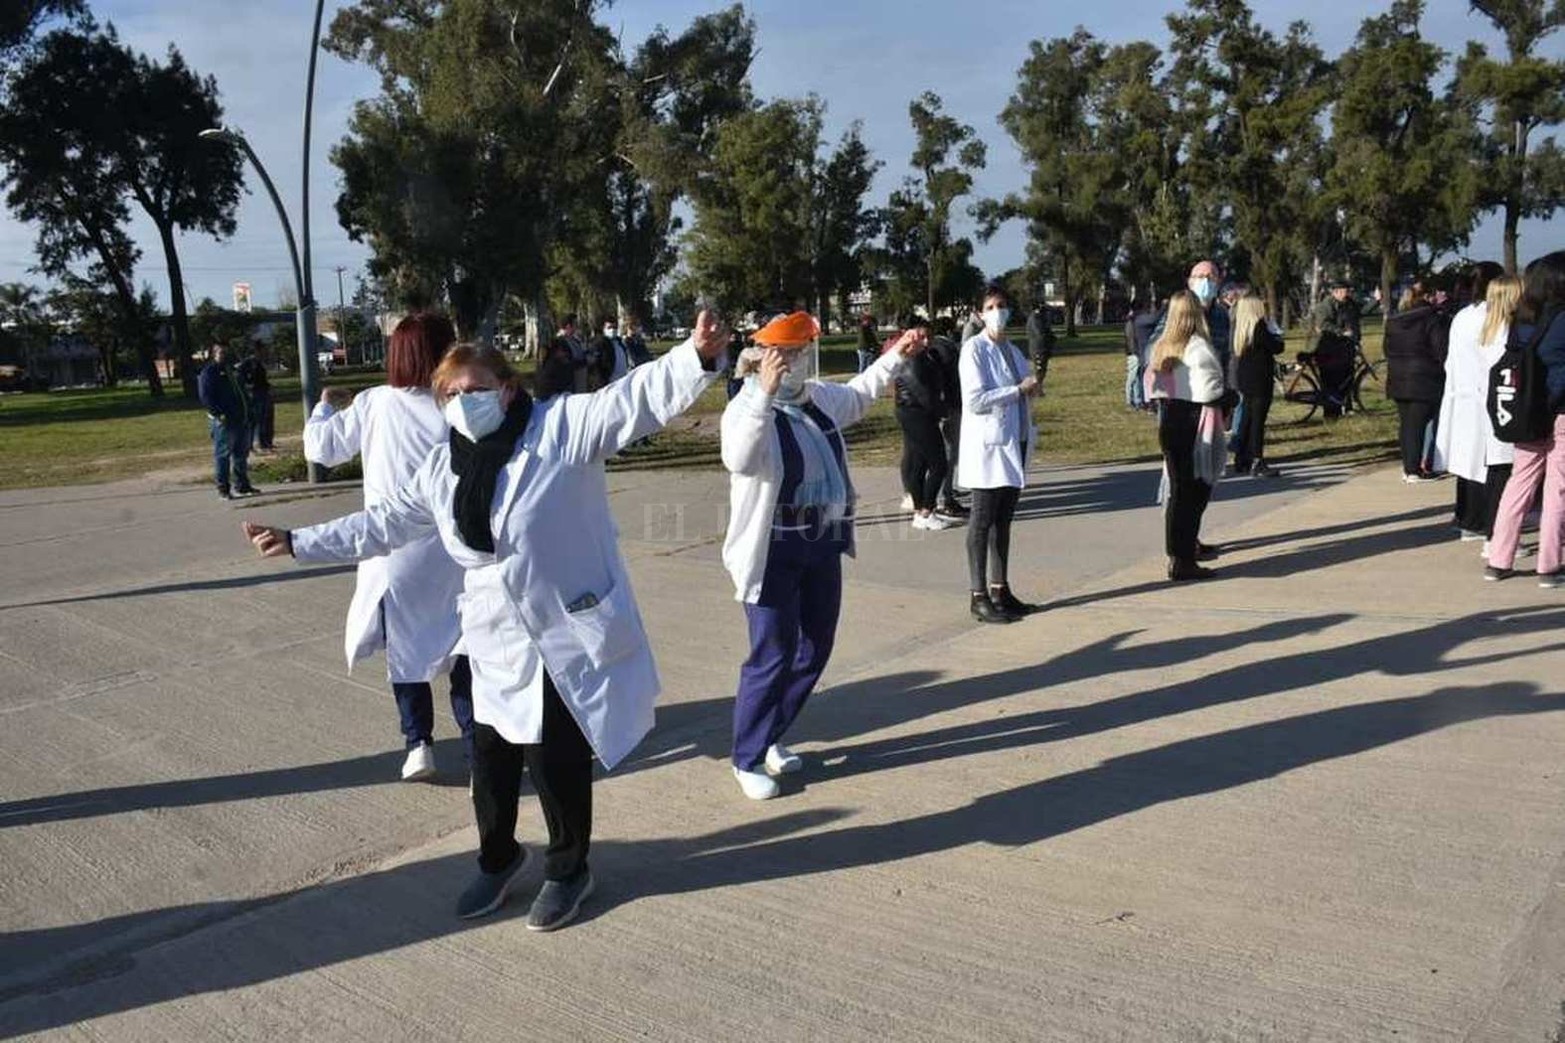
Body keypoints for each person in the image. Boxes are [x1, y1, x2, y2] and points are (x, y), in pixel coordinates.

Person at [243, 312, 729, 928]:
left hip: (559, 631)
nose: (462, 402)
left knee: (555, 762)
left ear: (507, 388)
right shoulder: (444, 466)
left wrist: (693, 356)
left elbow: (631, 401)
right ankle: (498, 858)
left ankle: (568, 869)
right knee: (491, 764)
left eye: (475, 390)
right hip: (489, 633)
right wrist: (298, 541)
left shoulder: (560, 430)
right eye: (450, 394)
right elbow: (384, 524)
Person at [720, 311, 924, 800]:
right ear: (764, 356)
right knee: (772, 652)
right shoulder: (749, 406)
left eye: (801, 350)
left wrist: (896, 355)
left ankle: (771, 735)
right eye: (787, 351)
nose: (796, 360)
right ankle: (746, 756)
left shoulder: (815, 399)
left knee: (816, 644)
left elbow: (859, 395)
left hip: (821, 538)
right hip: (773, 545)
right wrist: (764, 394)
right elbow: (741, 457)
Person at [303, 312, 474, 784]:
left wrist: (323, 407)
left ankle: (418, 744)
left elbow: (321, 449)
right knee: (465, 649)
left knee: (408, 649)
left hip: (393, 548)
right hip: (455, 550)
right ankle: (480, 752)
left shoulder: (374, 403)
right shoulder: (458, 404)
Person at [959, 285, 1041, 624]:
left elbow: (1026, 384)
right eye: (990, 306)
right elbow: (976, 400)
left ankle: (1000, 588)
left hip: (1015, 441)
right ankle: (978, 595)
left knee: (1003, 521)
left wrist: (1034, 387)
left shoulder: (1012, 349)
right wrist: (1017, 390)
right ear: (980, 314)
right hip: (987, 447)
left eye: (1002, 305)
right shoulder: (973, 350)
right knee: (982, 520)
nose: (998, 312)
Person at [1485, 252, 1565, 586]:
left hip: (1527, 411)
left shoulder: (1522, 318)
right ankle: (1549, 564)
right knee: (1557, 488)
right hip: (1560, 410)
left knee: (1519, 483)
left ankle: (1499, 559)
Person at [1147, 290, 1235, 582]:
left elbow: (1153, 387)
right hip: (1195, 421)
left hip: (1170, 417)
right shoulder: (1198, 347)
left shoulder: (1162, 346)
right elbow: (1211, 390)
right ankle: (1183, 557)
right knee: (1195, 492)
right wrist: (1230, 397)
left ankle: (1179, 552)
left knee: (1179, 492)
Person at [1434, 264, 1511, 540]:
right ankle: (1484, 524)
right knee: (1487, 463)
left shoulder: (1462, 316)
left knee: (1468, 460)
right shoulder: (1493, 318)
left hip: (1464, 395)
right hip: (1483, 397)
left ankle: (1467, 517)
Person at [891, 314, 957, 531]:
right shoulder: (911, 361)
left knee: (919, 462)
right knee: (938, 464)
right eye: (921, 336)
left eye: (929, 336)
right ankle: (926, 510)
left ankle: (922, 510)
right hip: (916, 414)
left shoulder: (925, 356)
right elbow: (924, 394)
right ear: (908, 336)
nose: (926, 341)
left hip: (917, 413)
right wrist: (943, 412)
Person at [1384, 280, 1451, 483]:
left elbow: (1386, 349)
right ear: (1428, 297)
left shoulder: (1394, 321)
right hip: (1424, 377)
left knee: (1407, 424)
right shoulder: (1431, 320)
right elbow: (1440, 349)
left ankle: (1408, 466)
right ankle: (1414, 469)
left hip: (1398, 376)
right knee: (1419, 425)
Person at [1229, 294, 1284, 477]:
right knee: (1258, 420)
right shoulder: (1259, 327)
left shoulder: (1241, 328)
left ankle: (1241, 458)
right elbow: (1277, 347)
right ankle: (1256, 459)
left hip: (1245, 377)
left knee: (1247, 417)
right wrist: (1275, 332)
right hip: (1260, 378)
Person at [196, 342, 258, 500]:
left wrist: (249, 411)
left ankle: (242, 485)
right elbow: (206, 396)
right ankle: (223, 489)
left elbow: (242, 392)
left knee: (241, 453)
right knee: (223, 454)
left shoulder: (233, 371)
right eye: (221, 353)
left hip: (241, 418)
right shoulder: (210, 372)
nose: (225, 356)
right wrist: (218, 414)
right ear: (214, 354)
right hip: (224, 421)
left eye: (227, 352)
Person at [929, 318, 969, 517]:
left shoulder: (937, 347)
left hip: (947, 405)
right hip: (952, 405)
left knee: (948, 451)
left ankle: (946, 492)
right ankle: (945, 498)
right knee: (949, 452)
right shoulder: (945, 348)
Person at [1309, 280, 1361, 417]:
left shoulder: (1348, 304)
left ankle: (1344, 407)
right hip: (1328, 349)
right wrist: (1341, 331)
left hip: (1344, 348)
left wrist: (1376, 301)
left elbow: (1359, 313)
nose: (1346, 293)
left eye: (1347, 290)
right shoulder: (1325, 306)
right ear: (1335, 292)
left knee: (1346, 378)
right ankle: (1331, 414)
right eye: (1343, 291)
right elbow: (1323, 324)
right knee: (1330, 381)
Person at [237, 354, 275, 453]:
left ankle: (265, 442)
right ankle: (256, 443)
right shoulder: (248, 364)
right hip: (256, 394)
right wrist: (249, 386)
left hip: (263, 392)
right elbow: (243, 378)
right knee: (257, 420)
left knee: (265, 419)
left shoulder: (258, 364)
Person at [1124, 299, 1157, 411]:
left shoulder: (1133, 319)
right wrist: (1135, 352)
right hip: (1133, 352)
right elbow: (1131, 338)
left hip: (1136, 352)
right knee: (1132, 377)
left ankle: (1138, 400)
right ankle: (1129, 400)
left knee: (1138, 377)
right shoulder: (1131, 321)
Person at [1025, 300, 1054, 383]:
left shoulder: (1037, 317)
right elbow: (1040, 332)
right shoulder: (1036, 317)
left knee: (1042, 369)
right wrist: (1049, 336)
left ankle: (1038, 386)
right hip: (1038, 348)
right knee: (1039, 369)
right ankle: (1037, 387)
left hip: (1041, 348)